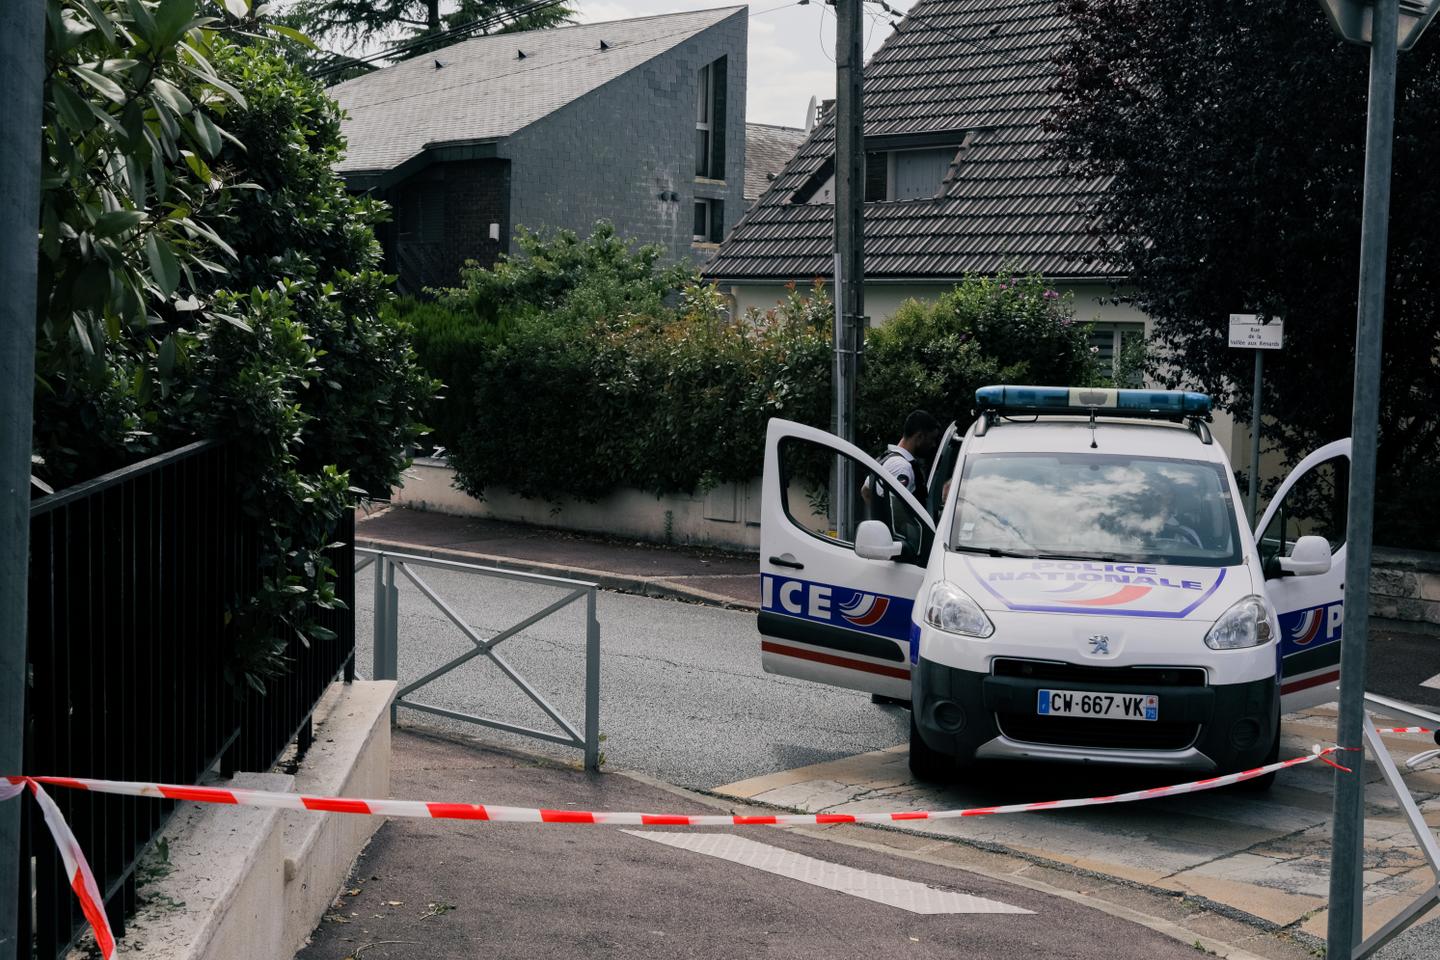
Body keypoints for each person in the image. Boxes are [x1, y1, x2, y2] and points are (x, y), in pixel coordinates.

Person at [864, 409, 941, 505]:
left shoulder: (887, 457)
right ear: (920, 437)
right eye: (932, 439)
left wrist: (878, 515)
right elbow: (897, 509)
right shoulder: (901, 466)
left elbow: (865, 490)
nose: (933, 445)